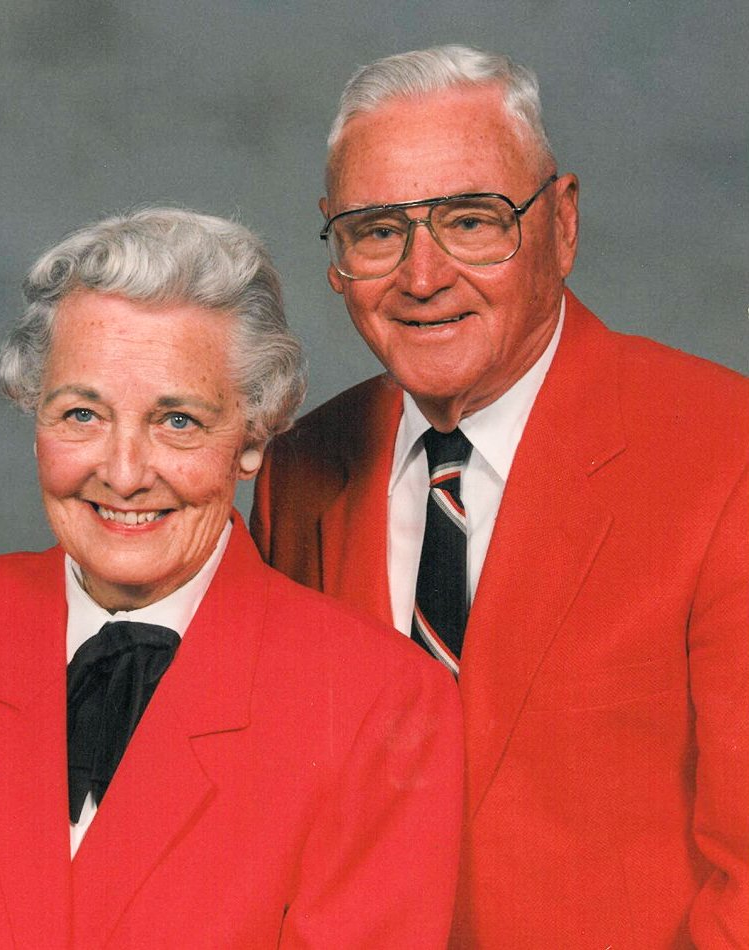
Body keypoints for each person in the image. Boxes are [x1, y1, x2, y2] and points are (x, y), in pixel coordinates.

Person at [0, 209, 463, 948]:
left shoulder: (379, 704)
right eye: (82, 414)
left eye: (177, 421)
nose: (122, 474)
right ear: (34, 417)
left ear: (252, 439)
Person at [252, 45, 749, 947]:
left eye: (471, 221)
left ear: (561, 223)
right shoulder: (299, 472)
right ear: (336, 251)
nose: (422, 277)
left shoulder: (725, 453)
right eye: (377, 231)